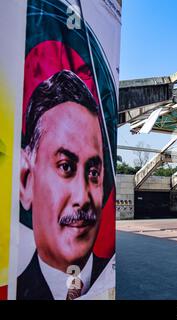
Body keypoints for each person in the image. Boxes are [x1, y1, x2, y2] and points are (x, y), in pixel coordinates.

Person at [17, 70, 109, 300]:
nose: (82, 196)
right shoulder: (14, 291)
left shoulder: (110, 274)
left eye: (94, 172)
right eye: (66, 166)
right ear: (26, 179)